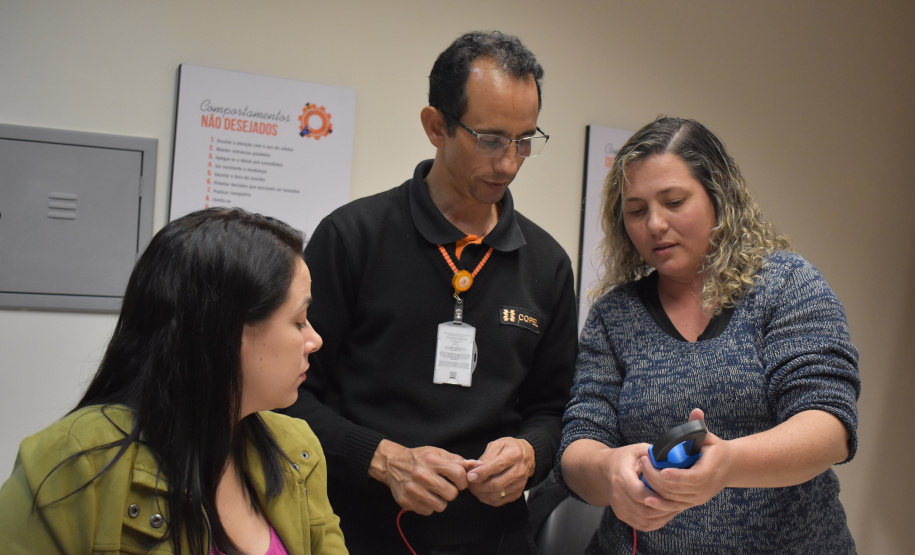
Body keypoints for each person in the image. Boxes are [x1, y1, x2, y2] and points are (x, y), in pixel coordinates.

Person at [281, 31, 578, 554]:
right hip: (355, 534)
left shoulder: (547, 264)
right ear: (435, 126)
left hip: (497, 539)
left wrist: (530, 453)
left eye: (525, 140)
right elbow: (286, 399)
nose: (509, 163)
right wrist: (381, 458)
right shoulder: (353, 237)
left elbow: (553, 410)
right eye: (490, 139)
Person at [556, 117, 861, 554]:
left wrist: (730, 464)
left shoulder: (786, 285)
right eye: (637, 211)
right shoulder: (613, 317)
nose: (655, 224)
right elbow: (577, 445)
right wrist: (607, 469)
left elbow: (829, 428)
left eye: (674, 201)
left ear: (720, 198)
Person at [0, 208, 348, 554]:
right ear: (225, 333)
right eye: (300, 320)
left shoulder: (297, 451)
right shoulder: (75, 460)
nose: (314, 340)